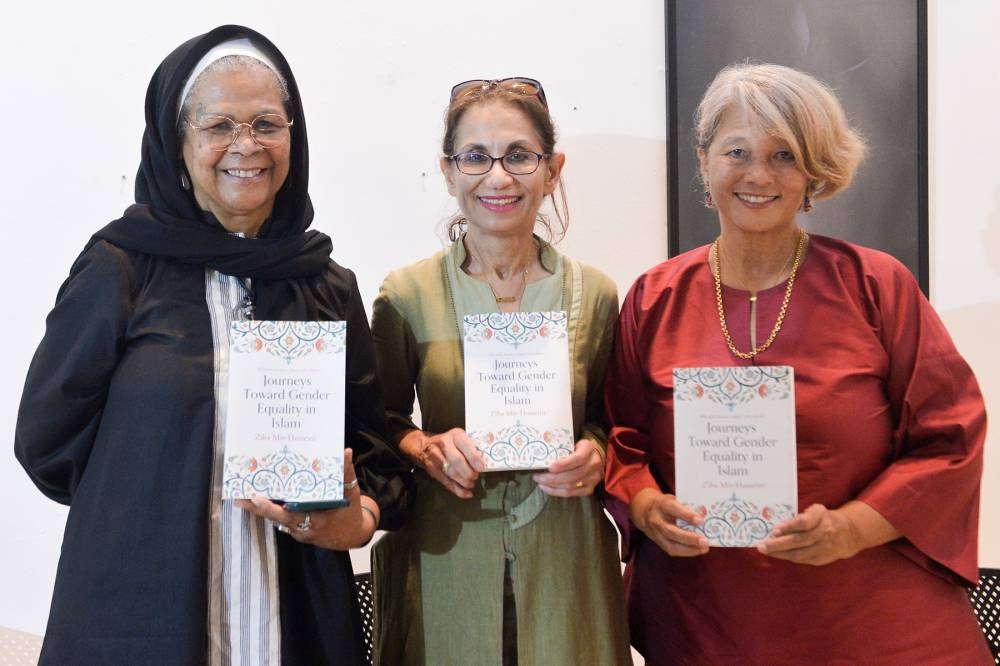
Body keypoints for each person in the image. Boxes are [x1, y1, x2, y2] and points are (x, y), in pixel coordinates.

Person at [14, 25, 413, 665]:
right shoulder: (120, 269)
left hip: (298, 612)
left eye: (266, 125)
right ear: (178, 144)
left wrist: (357, 517)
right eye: (219, 125)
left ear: (294, 137)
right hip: (139, 607)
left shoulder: (326, 285)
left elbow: (375, 455)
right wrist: (150, 491)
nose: (245, 146)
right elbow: (46, 440)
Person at [603, 61, 990, 664]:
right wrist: (648, 507)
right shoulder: (655, 298)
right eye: (737, 150)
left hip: (872, 622)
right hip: (705, 620)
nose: (759, 174)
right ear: (703, 160)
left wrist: (851, 529)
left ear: (814, 171)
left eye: (784, 155)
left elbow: (950, 437)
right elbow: (622, 439)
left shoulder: (875, 286)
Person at [369, 78, 631, 664]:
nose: (498, 177)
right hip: (444, 557)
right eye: (475, 157)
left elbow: (614, 424)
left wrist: (596, 454)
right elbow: (375, 423)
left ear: (552, 168)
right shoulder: (405, 294)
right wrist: (423, 445)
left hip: (565, 559)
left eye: (519, 156)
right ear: (447, 170)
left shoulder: (595, 294)